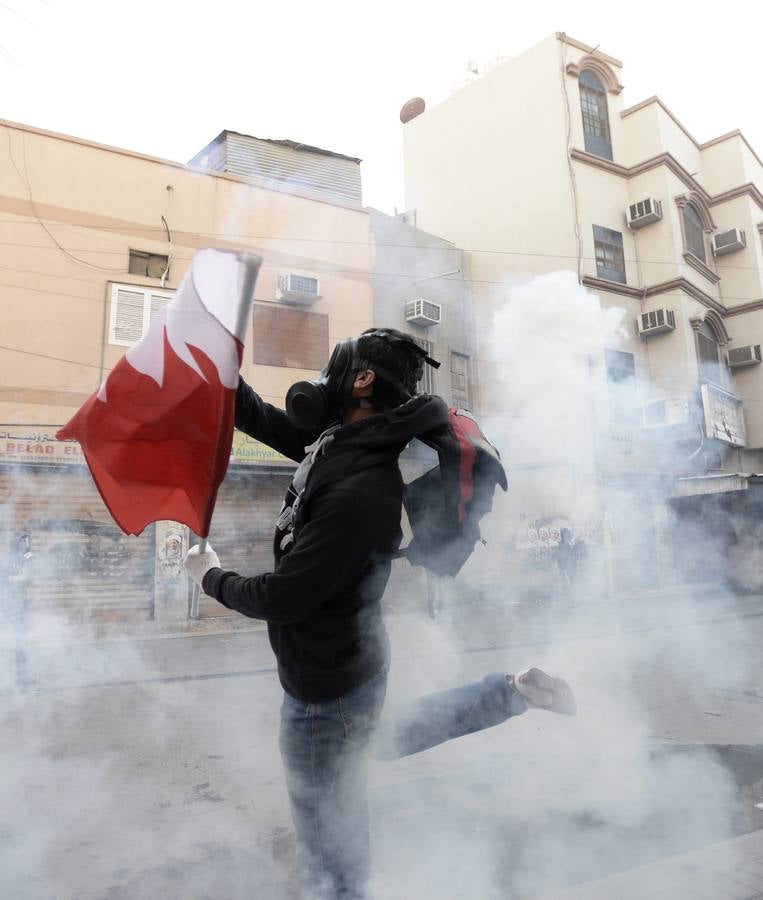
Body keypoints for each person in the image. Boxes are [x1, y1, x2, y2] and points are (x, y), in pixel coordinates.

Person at [184, 328, 576, 900]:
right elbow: (267, 422)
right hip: (354, 669)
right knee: (381, 737)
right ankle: (510, 692)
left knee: (332, 857)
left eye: (334, 366)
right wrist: (220, 368)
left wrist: (211, 579)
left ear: (362, 380)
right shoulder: (343, 443)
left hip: (322, 697)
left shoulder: (360, 491)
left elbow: (284, 597)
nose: (325, 376)